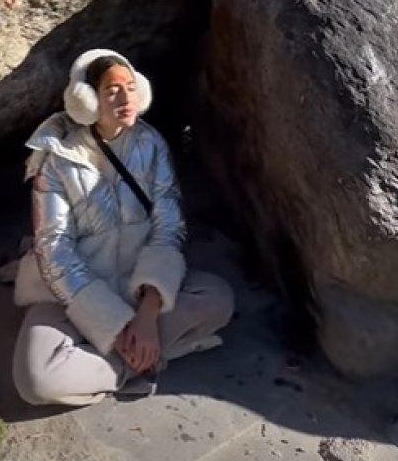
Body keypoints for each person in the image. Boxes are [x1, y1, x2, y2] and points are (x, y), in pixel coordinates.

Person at [12, 49, 234, 408]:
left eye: (130, 87)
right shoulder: (55, 161)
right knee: (36, 380)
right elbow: (55, 251)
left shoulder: (151, 144)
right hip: (73, 293)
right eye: (112, 90)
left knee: (219, 299)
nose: (125, 97)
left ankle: (124, 359)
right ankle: (144, 359)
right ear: (86, 100)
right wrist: (112, 326)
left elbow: (169, 226)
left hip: (138, 281)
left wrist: (147, 313)